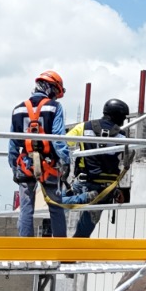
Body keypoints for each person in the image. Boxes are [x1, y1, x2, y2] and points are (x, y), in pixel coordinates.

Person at [10, 70, 71, 238]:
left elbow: (13, 142)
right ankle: (60, 247)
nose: (56, 97)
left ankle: (26, 248)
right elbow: (58, 138)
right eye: (56, 93)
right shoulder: (54, 107)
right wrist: (66, 161)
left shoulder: (18, 109)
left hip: (26, 164)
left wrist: (14, 166)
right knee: (56, 207)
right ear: (51, 88)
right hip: (49, 165)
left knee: (26, 207)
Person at [61, 98, 131, 239]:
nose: (123, 121)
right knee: (84, 232)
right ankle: (76, 248)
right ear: (117, 115)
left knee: (56, 203)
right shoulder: (122, 135)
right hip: (105, 189)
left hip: (84, 182)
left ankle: (84, 198)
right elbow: (120, 161)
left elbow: (63, 143)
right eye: (123, 117)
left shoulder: (83, 127)